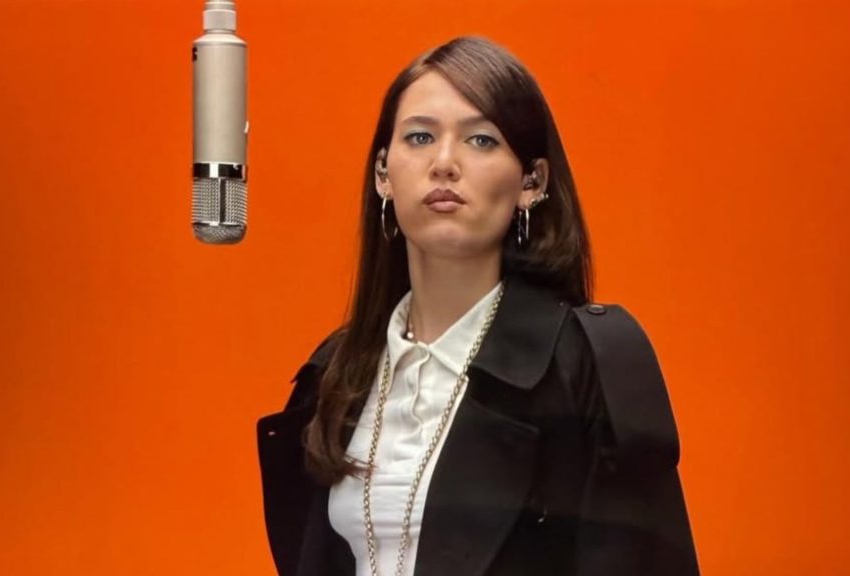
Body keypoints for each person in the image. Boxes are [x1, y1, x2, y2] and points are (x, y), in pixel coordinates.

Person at [257, 36, 700, 576]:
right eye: (420, 137)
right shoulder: (334, 375)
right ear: (383, 175)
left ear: (532, 182)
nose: (444, 163)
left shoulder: (588, 364)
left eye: (481, 140)